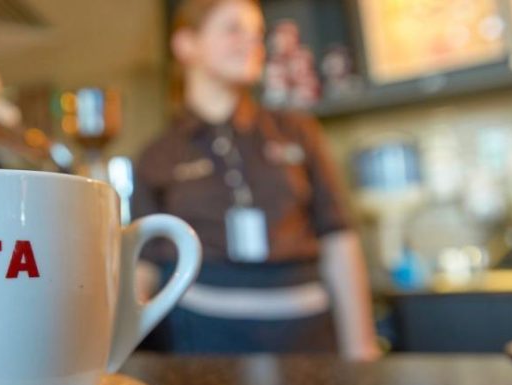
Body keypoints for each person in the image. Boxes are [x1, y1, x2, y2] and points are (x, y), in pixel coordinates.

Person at [133, 0, 380, 360]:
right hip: (202, 343)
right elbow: (144, 264)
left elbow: (338, 237)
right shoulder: (157, 155)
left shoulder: (298, 130)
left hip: (307, 337)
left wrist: (362, 347)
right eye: (233, 29)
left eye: (257, 33)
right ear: (186, 44)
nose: (251, 42)